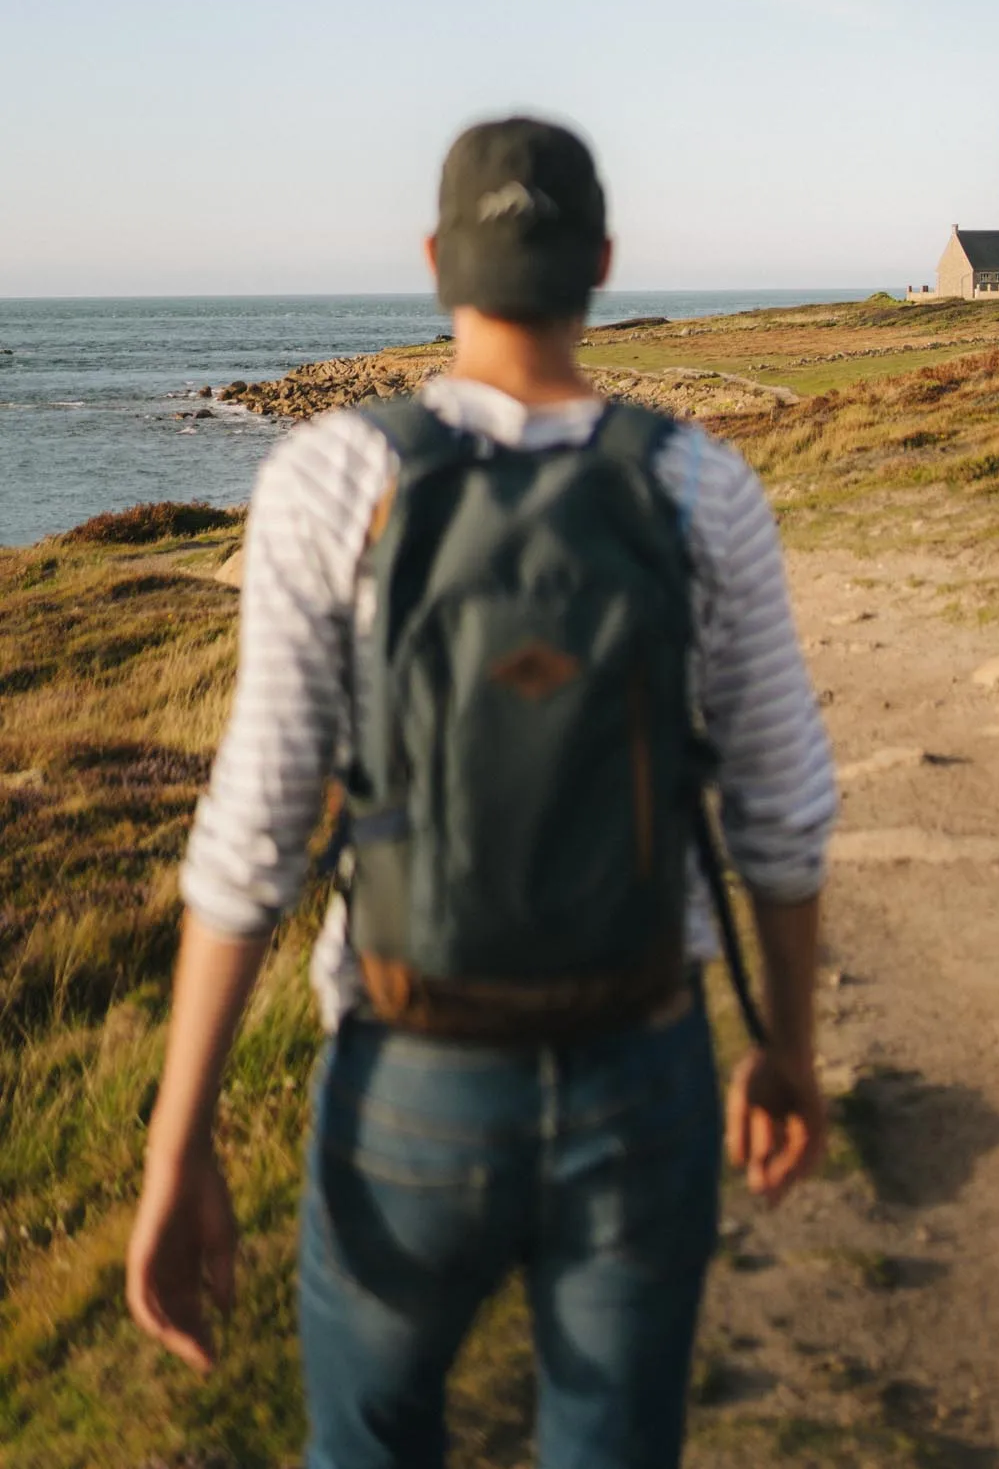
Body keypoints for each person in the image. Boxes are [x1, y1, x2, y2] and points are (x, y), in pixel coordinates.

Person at [126, 115, 838, 1469]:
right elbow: (783, 814)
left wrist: (180, 1142)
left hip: (407, 1074)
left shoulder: (334, 474)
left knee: (374, 1444)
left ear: (436, 257)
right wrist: (788, 1048)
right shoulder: (698, 484)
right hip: (641, 1065)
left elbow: (254, 839)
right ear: (604, 262)